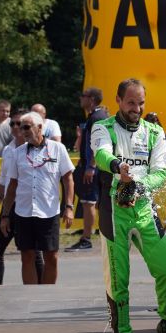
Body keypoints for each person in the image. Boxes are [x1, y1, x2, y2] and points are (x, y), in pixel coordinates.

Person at [91, 78, 166, 333]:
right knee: (119, 278)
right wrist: (119, 168)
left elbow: (160, 173)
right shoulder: (103, 127)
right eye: (131, 103)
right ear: (118, 100)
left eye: (141, 103)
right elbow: (101, 154)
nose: (137, 108)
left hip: (143, 208)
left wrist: (138, 185)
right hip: (113, 210)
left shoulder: (154, 132)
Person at [0, 111, 75, 284]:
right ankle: (30, 294)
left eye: (26, 127)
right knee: (27, 256)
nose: (22, 131)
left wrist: (69, 207)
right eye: (20, 127)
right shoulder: (17, 152)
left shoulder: (58, 148)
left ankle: (47, 295)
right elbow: (12, 186)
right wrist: (5, 215)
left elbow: (68, 179)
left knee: (51, 257)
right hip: (23, 212)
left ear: (40, 127)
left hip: (49, 211)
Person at [0, 108, 45, 285]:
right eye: (12, 123)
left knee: (33, 253)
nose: (15, 127)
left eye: (20, 124)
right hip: (10, 207)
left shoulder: (38, 149)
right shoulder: (8, 149)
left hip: (28, 207)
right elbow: (3, 182)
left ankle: (42, 290)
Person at [67, 87, 108, 252]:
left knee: (89, 203)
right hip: (93, 166)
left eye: (83, 96)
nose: (80, 98)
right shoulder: (96, 116)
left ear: (91, 99)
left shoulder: (97, 117)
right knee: (92, 202)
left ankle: (86, 239)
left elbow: (98, 143)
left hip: (94, 168)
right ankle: (92, 236)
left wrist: (91, 166)